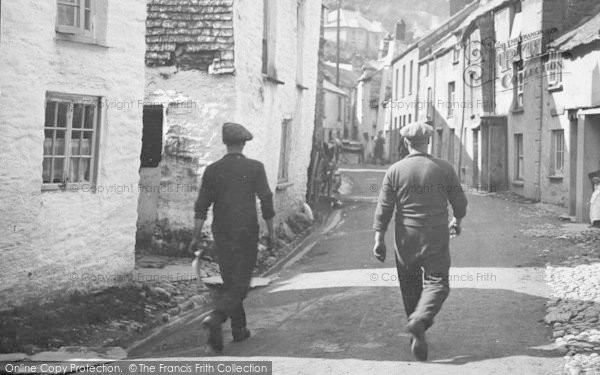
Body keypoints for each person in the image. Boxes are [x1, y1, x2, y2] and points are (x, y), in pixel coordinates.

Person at [372, 122, 468, 362]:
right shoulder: (444, 168)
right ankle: (419, 320)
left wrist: (378, 239)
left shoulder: (394, 170)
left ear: (406, 143)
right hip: (435, 234)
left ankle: (416, 330)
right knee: (437, 282)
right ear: (428, 142)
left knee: (409, 284)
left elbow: (384, 209)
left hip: (405, 236)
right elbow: (460, 203)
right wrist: (456, 220)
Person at [190, 122, 275, 353]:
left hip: (222, 232)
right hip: (246, 231)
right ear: (244, 143)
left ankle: (239, 330)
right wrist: (272, 232)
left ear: (226, 144)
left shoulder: (212, 170)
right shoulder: (255, 168)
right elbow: (266, 201)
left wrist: (195, 237)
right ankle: (216, 317)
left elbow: (201, 207)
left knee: (230, 280)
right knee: (241, 283)